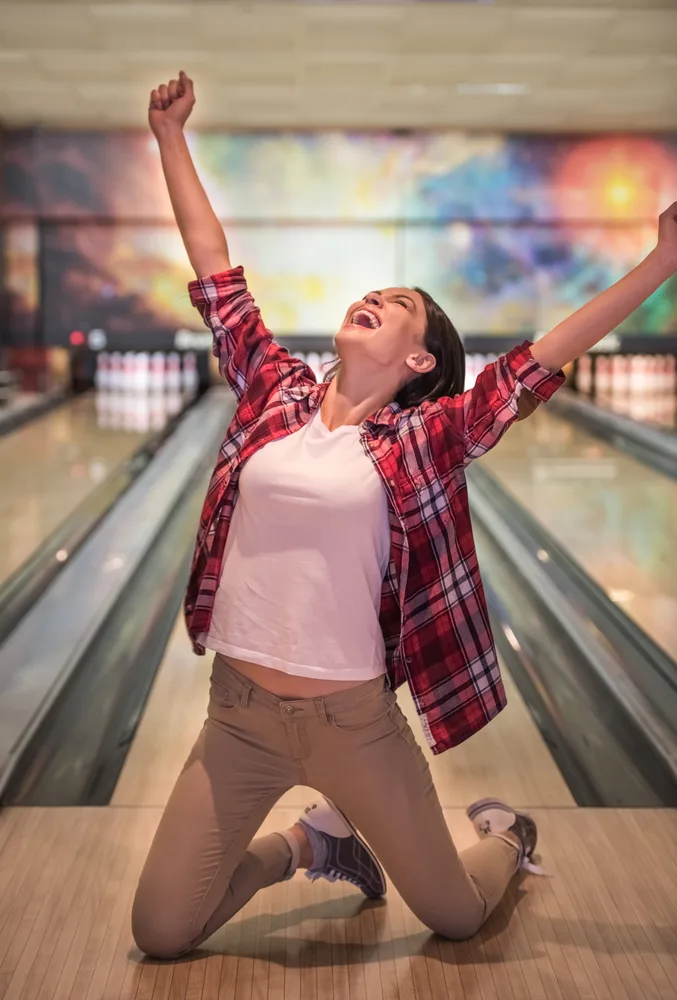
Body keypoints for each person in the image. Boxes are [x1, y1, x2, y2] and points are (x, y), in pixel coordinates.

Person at [132, 72, 677, 959]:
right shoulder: (273, 393)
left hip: (354, 727)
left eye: (399, 304)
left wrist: (661, 263)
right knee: (160, 933)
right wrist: (169, 137)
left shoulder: (427, 438)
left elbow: (536, 364)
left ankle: (505, 836)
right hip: (236, 717)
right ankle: (313, 842)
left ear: (419, 355)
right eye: (373, 292)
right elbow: (215, 273)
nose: (375, 298)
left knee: (456, 918)